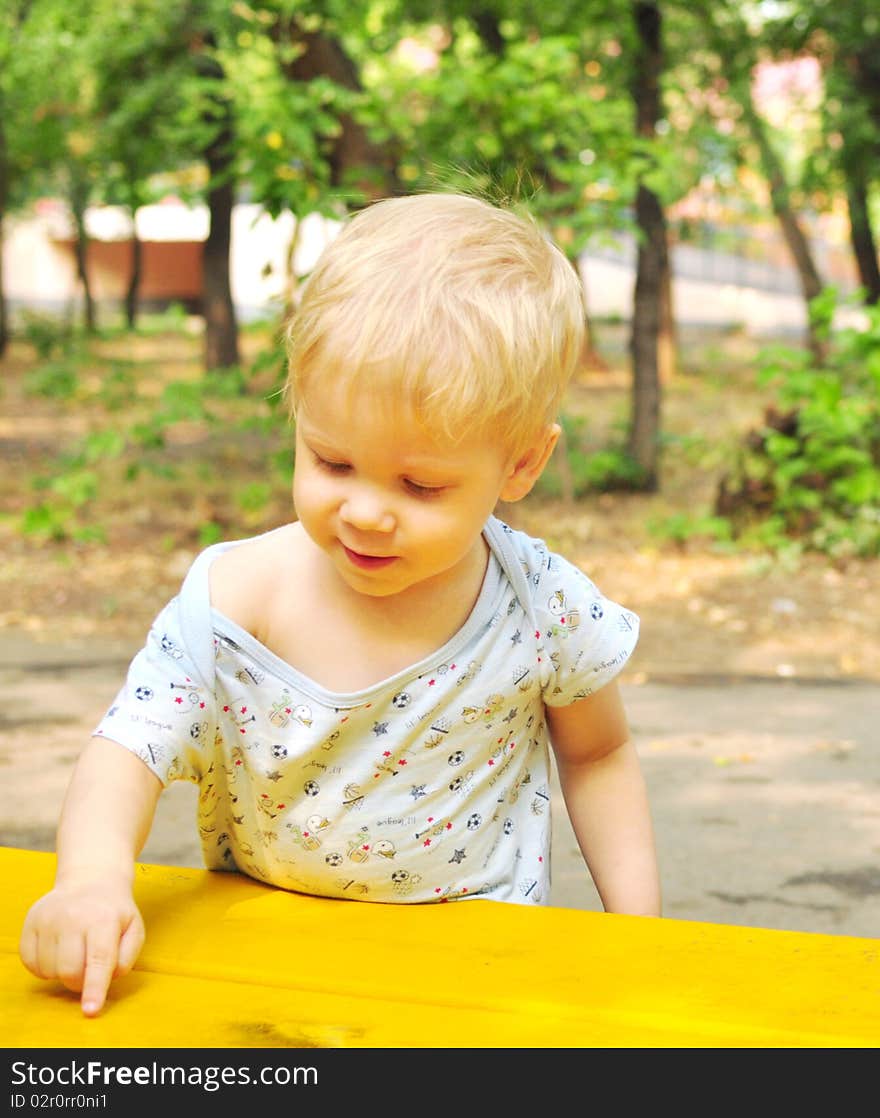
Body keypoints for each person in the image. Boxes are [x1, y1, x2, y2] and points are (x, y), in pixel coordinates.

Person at [19, 191, 661, 1017]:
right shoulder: (234, 604)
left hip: (479, 975)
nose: (365, 511)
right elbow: (126, 752)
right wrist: (91, 882)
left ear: (521, 466)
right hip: (266, 966)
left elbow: (600, 754)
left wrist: (638, 934)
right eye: (331, 461)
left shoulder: (541, 607)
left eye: (420, 483)